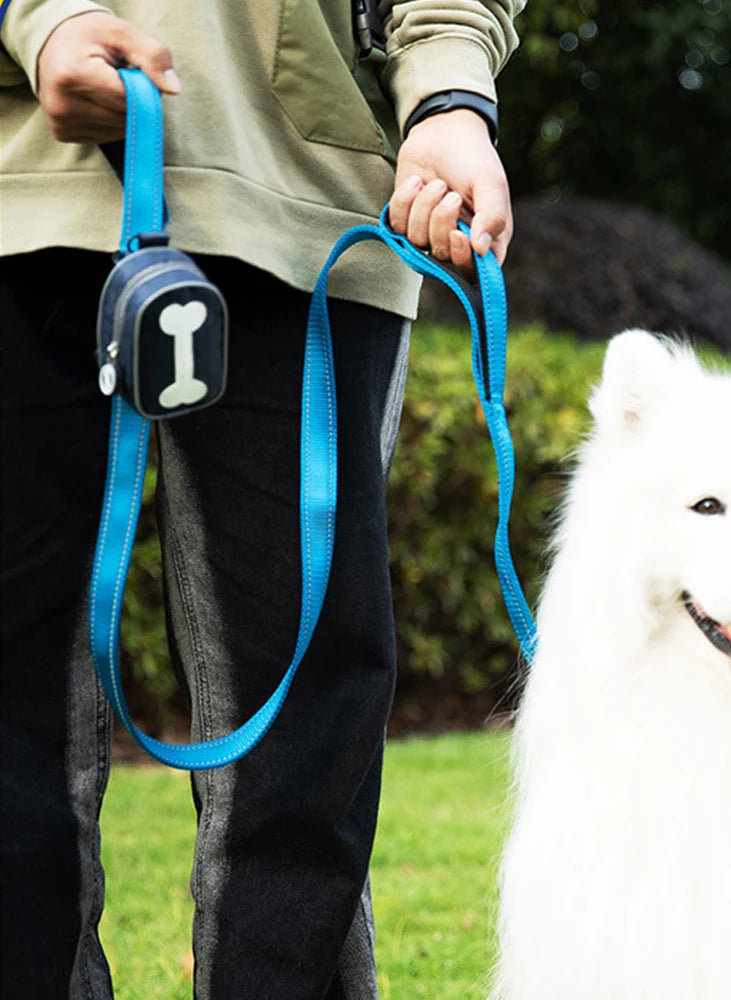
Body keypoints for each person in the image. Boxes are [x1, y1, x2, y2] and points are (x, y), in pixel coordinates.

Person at [0, 1, 522, 997]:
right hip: (17, 192)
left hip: (296, 190)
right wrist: (34, 18)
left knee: (304, 736)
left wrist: (450, 90)